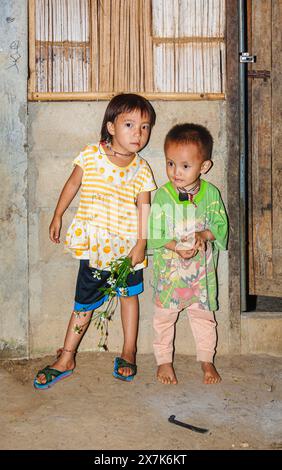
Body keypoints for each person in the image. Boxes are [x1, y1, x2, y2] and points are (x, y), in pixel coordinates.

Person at [34, 93, 157, 389]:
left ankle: (129, 351)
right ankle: (67, 356)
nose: (138, 133)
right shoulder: (91, 155)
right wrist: (57, 214)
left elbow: (145, 209)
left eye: (145, 127)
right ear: (111, 127)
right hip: (96, 249)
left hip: (127, 250)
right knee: (83, 303)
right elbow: (73, 183)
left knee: (129, 297)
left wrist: (140, 245)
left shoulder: (142, 170)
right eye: (129, 124)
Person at [148, 123, 228, 385]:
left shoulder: (211, 195)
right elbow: (155, 232)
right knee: (164, 318)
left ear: (203, 166)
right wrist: (175, 247)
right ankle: (164, 361)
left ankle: (206, 359)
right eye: (170, 164)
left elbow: (220, 227)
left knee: (204, 317)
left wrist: (204, 235)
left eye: (184, 166)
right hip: (170, 275)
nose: (175, 172)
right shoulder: (162, 196)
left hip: (200, 277)